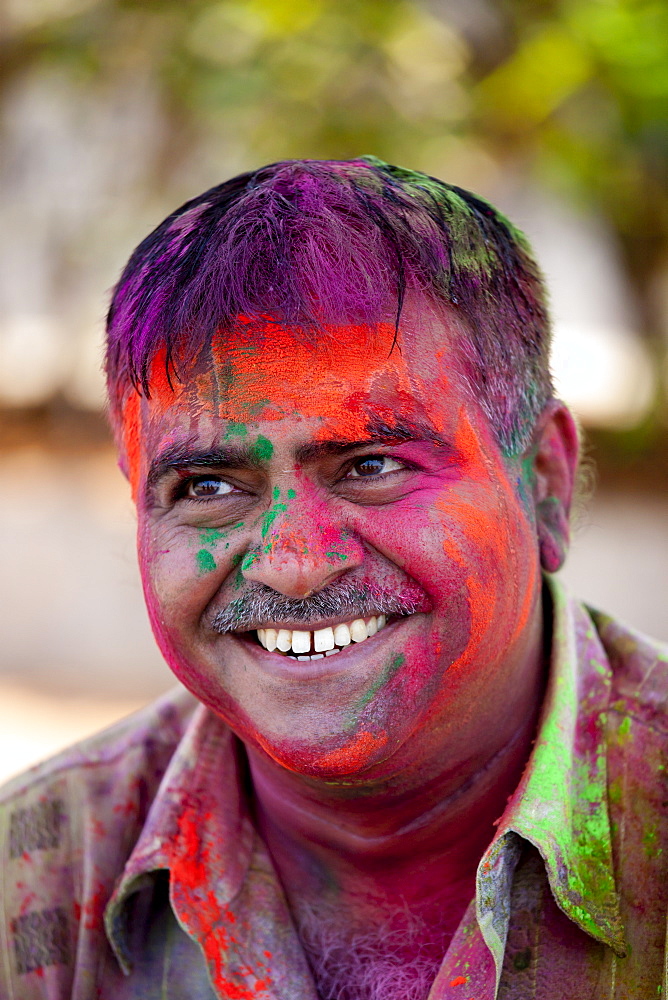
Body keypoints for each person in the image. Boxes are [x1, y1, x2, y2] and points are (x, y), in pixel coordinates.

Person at [1, 157, 667, 1000]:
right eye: (208, 488)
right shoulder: (33, 879)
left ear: (543, 483)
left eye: (373, 464)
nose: (294, 563)